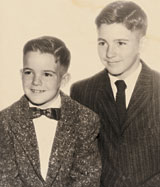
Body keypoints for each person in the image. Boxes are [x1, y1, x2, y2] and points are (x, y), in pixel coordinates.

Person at [70, 1, 160, 187]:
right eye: (103, 43)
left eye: (121, 43)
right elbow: (80, 163)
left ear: (141, 43)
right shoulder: (82, 92)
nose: (110, 53)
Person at [0, 36, 101, 187]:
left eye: (46, 74)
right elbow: (6, 179)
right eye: (29, 72)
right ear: (21, 74)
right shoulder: (5, 120)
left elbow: (86, 179)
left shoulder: (85, 119)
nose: (35, 81)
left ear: (64, 79)